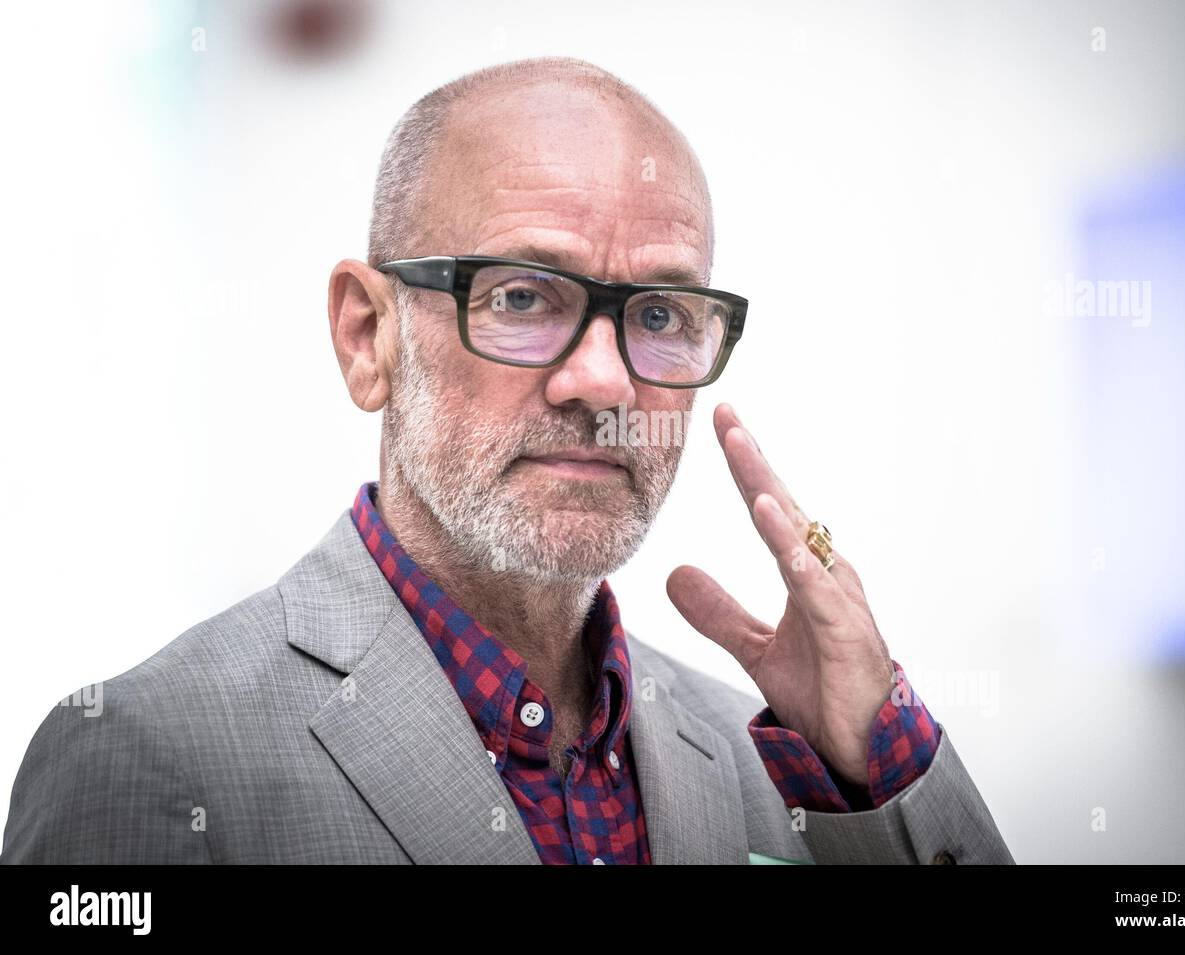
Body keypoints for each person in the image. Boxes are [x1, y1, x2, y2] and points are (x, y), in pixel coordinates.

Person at [1, 57, 1012, 864]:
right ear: (368, 336)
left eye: (659, 314)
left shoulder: (777, 765)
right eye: (524, 297)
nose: (604, 384)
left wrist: (878, 753)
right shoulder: (148, 753)